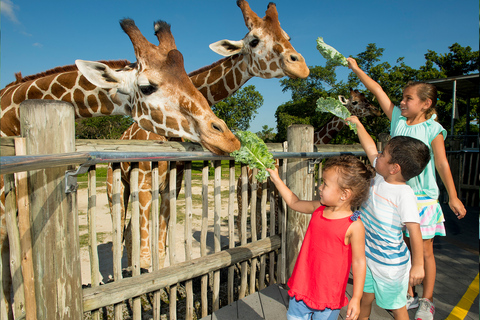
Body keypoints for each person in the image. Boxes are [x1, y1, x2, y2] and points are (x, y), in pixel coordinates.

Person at [348, 57, 467, 320]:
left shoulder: (433, 129)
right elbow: (378, 90)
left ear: (426, 104)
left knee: (423, 251)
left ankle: (427, 299)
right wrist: (356, 69)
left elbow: (442, 163)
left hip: (422, 198)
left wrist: (453, 196)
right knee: (399, 244)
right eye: (402, 97)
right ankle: (408, 293)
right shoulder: (398, 121)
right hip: (395, 193)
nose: (402, 102)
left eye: (408, 98)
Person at [267, 155, 374, 320]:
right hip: (302, 286)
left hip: (328, 296)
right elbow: (294, 202)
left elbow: (359, 262)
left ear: (344, 194)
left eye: (325, 184)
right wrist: (276, 179)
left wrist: (356, 298)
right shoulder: (319, 208)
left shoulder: (354, 225)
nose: (320, 187)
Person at [347, 115, 430, 320]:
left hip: (391, 265)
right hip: (368, 256)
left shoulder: (404, 195)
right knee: (365, 298)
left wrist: (418, 265)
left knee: (396, 307)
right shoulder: (379, 175)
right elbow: (369, 146)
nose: (378, 156)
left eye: (383, 154)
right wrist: (358, 125)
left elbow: (414, 231)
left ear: (394, 168)